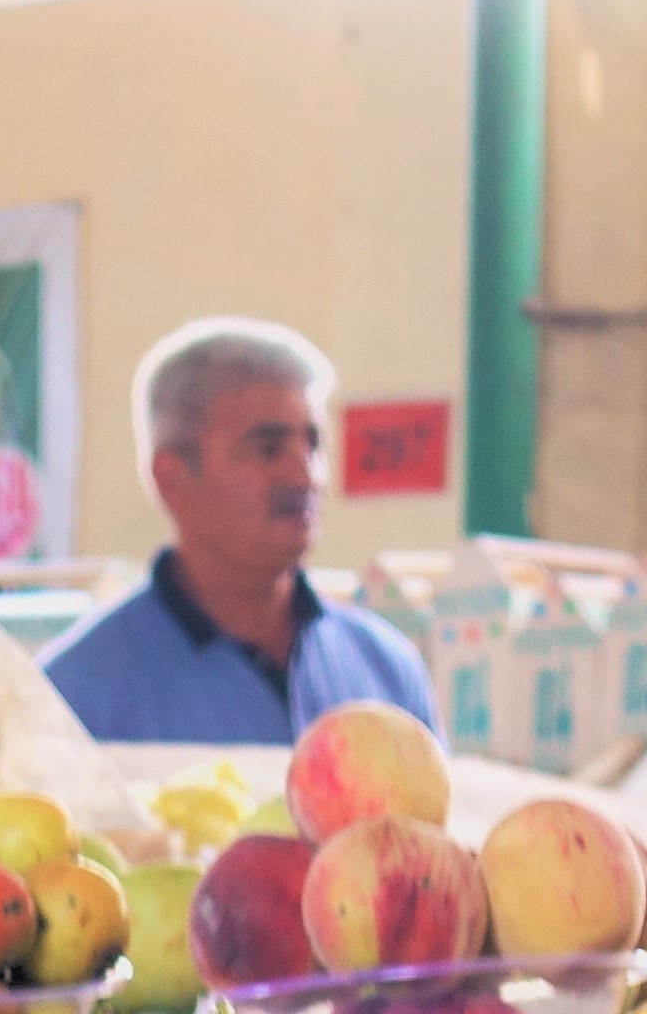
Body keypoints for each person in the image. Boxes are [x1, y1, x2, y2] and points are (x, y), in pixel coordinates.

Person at [42, 317, 437, 747]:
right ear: (172, 479)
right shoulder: (74, 696)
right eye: (267, 449)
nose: (305, 476)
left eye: (313, 445)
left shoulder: (386, 668)